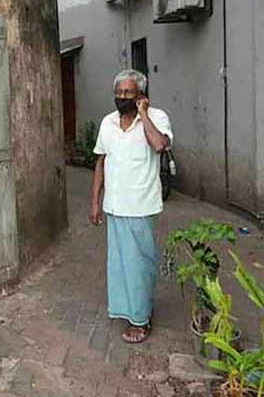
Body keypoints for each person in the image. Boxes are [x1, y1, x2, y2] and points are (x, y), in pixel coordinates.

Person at [89, 69, 172, 344]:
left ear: (140, 96)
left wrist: (144, 114)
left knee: (140, 265)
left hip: (141, 206)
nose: (122, 97)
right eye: (119, 93)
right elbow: (101, 162)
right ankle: (130, 311)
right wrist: (95, 202)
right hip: (114, 206)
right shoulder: (107, 123)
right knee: (120, 266)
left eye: (128, 93)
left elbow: (160, 145)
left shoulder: (156, 118)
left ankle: (141, 320)